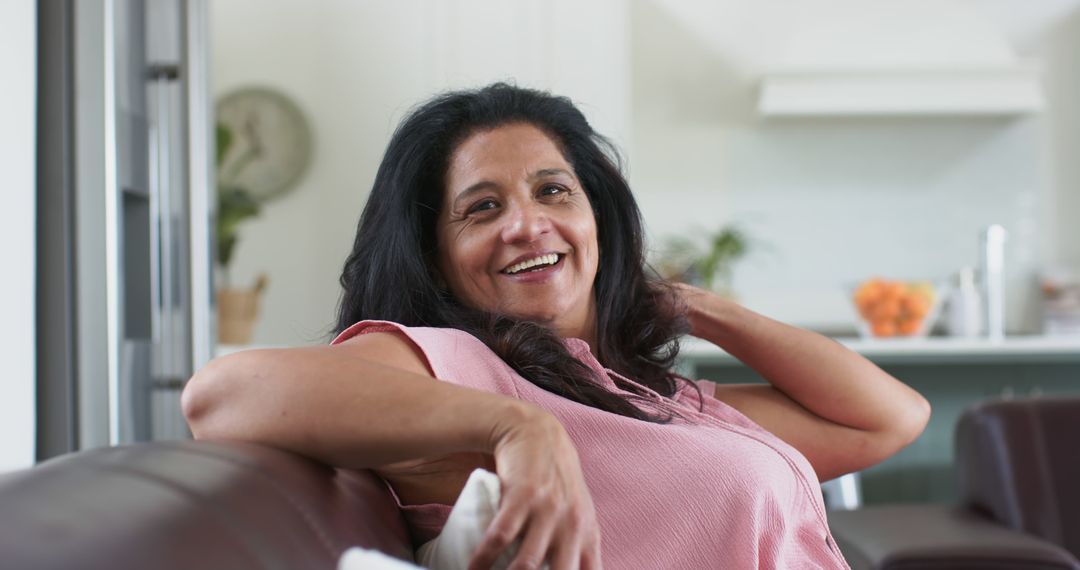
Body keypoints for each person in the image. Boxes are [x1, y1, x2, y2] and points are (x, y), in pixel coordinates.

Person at [182, 83, 931, 570]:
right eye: (482, 208)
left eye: (553, 191)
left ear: (596, 219)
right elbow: (220, 396)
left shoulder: (654, 396)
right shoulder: (461, 364)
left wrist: (684, 301)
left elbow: (889, 419)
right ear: (436, 258)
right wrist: (519, 430)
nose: (527, 224)